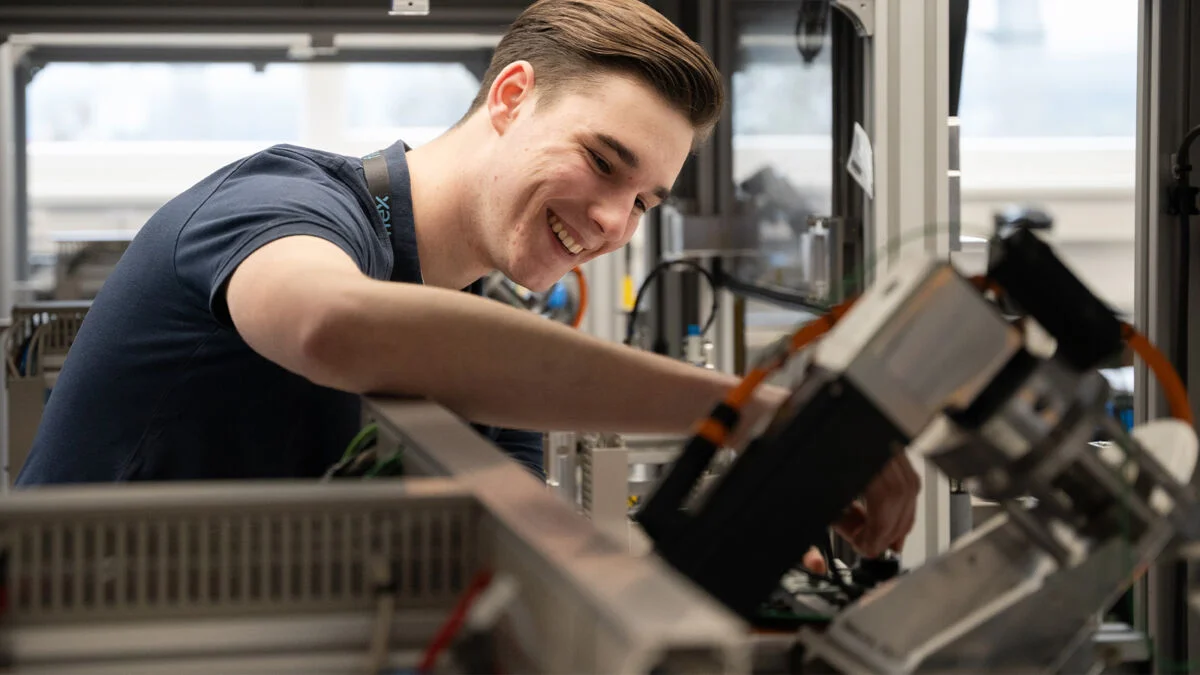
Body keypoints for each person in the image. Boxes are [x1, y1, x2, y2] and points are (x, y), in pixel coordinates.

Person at [16, 0, 919, 559]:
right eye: (604, 161)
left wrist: (729, 547)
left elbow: (533, 546)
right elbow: (336, 325)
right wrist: (752, 411)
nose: (612, 221)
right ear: (511, 95)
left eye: (646, 202)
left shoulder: (478, 328)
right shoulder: (284, 203)